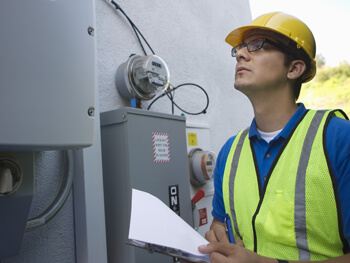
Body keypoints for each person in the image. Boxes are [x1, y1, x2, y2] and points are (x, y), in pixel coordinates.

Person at [198, 12, 350, 263]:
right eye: (240, 48)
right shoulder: (229, 151)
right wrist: (216, 241)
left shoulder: (338, 138)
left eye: (258, 45)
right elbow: (219, 225)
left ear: (294, 68)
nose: (240, 54)